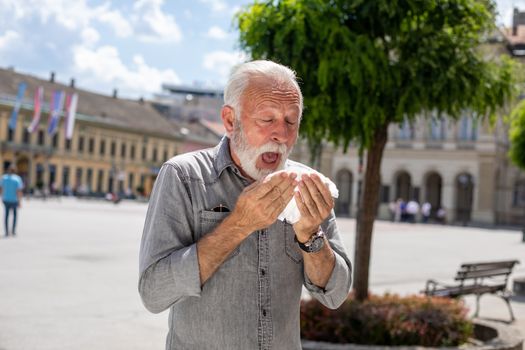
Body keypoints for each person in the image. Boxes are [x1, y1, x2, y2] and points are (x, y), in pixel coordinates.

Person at [139, 60, 352, 349]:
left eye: (292, 121)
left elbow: (336, 294)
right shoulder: (184, 176)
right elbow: (154, 293)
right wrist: (240, 224)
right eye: (268, 119)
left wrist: (310, 235)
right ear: (230, 120)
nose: (282, 134)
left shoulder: (307, 185)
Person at [0, 164, 24, 237]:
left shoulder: (4, 178)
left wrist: (1, 197)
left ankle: (7, 232)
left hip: (6, 199)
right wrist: (20, 201)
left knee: (6, 216)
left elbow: (1, 189)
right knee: (14, 216)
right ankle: (13, 231)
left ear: (8, 170)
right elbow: (19, 191)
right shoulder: (17, 179)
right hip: (14, 200)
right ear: (15, 171)